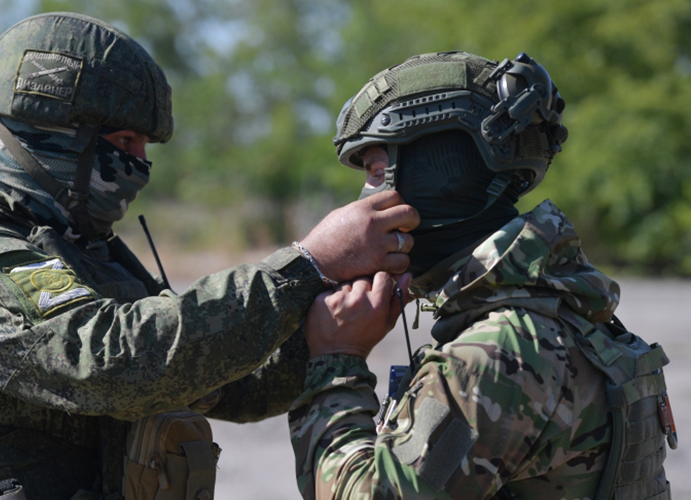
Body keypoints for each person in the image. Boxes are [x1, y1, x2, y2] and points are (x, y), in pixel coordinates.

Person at [0, 12, 421, 500]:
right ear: (54, 136)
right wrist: (306, 265)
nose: (141, 165)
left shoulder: (81, 251)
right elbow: (110, 364)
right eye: (125, 142)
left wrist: (331, 319)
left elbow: (227, 383)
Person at [289, 51, 675, 499]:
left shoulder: (497, 351)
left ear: (445, 174)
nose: (363, 202)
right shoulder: (564, 305)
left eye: (378, 172)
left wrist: (336, 359)